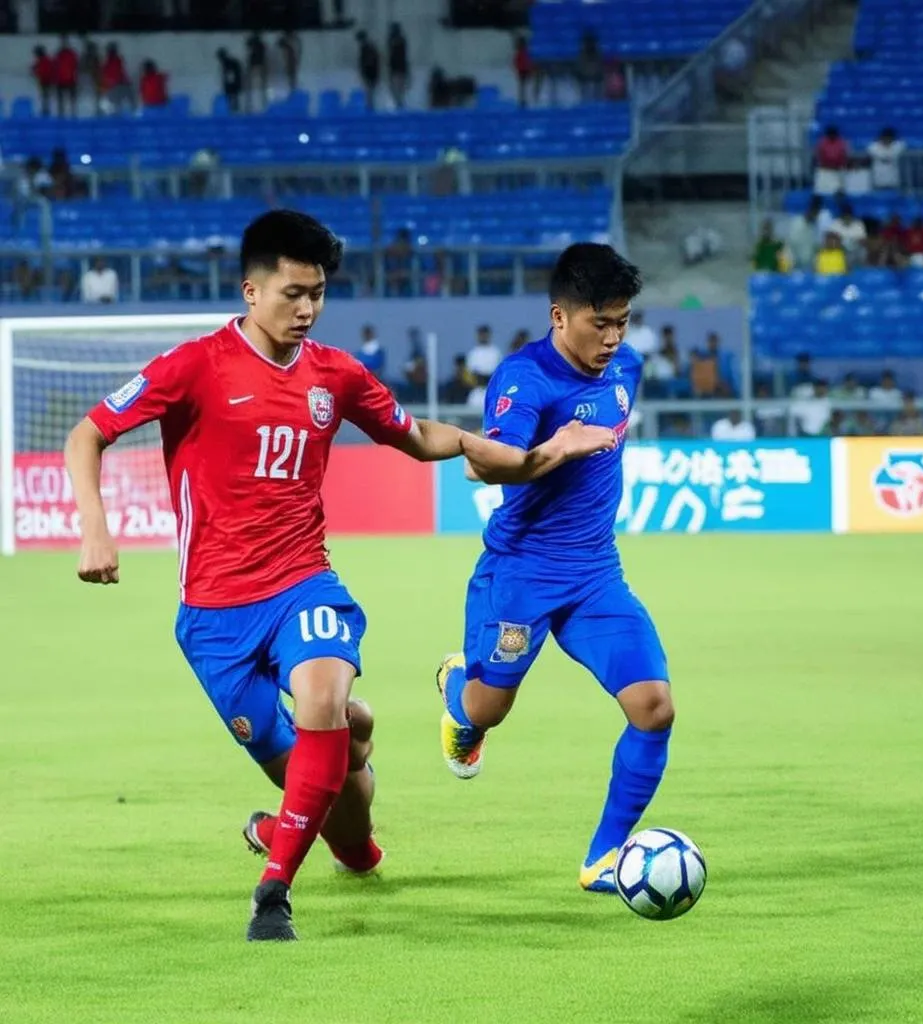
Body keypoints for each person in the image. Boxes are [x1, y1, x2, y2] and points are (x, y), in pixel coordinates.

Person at [64, 210, 611, 943]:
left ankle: (273, 893)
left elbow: (417, 437)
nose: (307, 308)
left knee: (321, 698)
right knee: (327, 792)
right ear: (250, 291)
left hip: (303, 582)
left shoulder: (334, 374)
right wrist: (95, 526)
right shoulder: (194, 366)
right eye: (292, 292)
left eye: (317, 293)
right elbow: (89, 432)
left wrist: (537, 453)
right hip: (213, 617)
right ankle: (355, 840)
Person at [434, 243, 674, 896]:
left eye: (622, 322)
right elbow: (484, 465)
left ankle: (603, 857)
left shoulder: (625, 366)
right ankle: (458, 689)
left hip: (597, 575)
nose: (614, 337)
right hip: (521, 574)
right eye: (601, 323)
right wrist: (556, 449)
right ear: (559, 317)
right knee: (488, 709)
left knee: (653, 707)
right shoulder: (523, 379)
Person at [387, 23, 409, 109]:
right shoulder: (393, 40)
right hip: (397, 69)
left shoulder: (398, 41)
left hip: (398, 69)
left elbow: (398, 56)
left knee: (398, 88)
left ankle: (399, 103)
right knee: (396, 88)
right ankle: (399, 103)